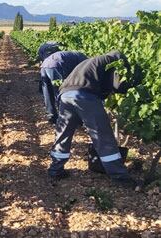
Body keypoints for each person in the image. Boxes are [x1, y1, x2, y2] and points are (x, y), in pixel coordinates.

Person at [48, 51, 143, 189]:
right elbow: (113, 87)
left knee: (63, 133)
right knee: (102, 135)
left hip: (65, 95)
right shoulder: (111, 64)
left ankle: (55, 170)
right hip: (84, 96)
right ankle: (120, 178)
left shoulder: (91, 62)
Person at [39, 51, 88, 124]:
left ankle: (52, 116)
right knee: (61, 92)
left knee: (48, 93)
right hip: (56, 65)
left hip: (45, 65)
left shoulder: (77, 56)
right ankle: (64, 119)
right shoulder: (86, 62)